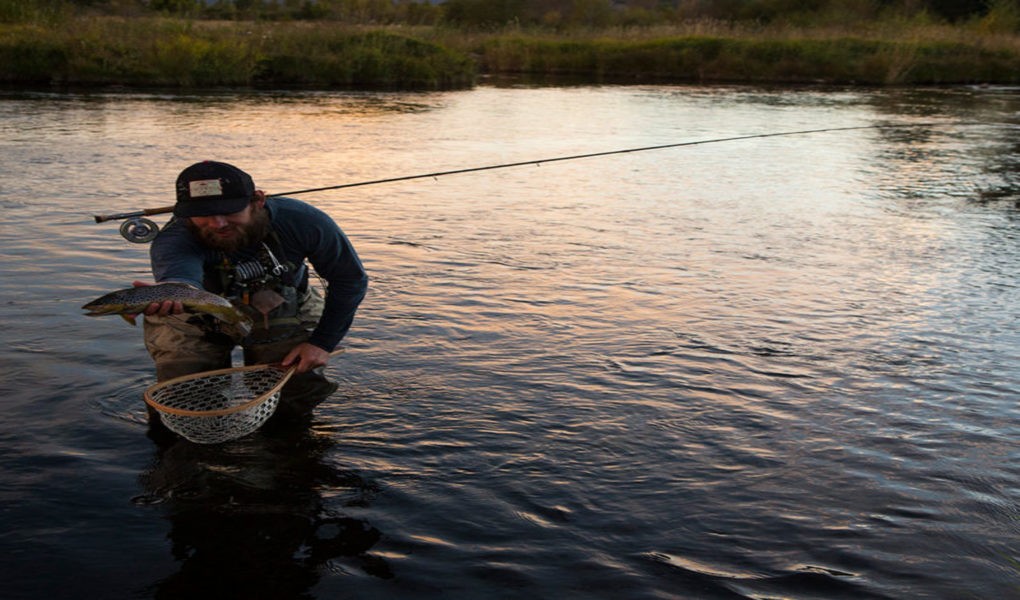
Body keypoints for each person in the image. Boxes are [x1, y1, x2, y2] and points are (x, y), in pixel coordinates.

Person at [139, 160, 368, 431]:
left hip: (282, 308)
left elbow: (350, 280)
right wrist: (173, 291)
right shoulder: (174, 238)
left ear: (258, 200)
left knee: (293, 401)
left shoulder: (304, 221)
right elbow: (180, 278)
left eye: (228, 211)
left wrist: (323, 342)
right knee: (184, 399)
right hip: (195, 314)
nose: (217, 223)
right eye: (202, 214)